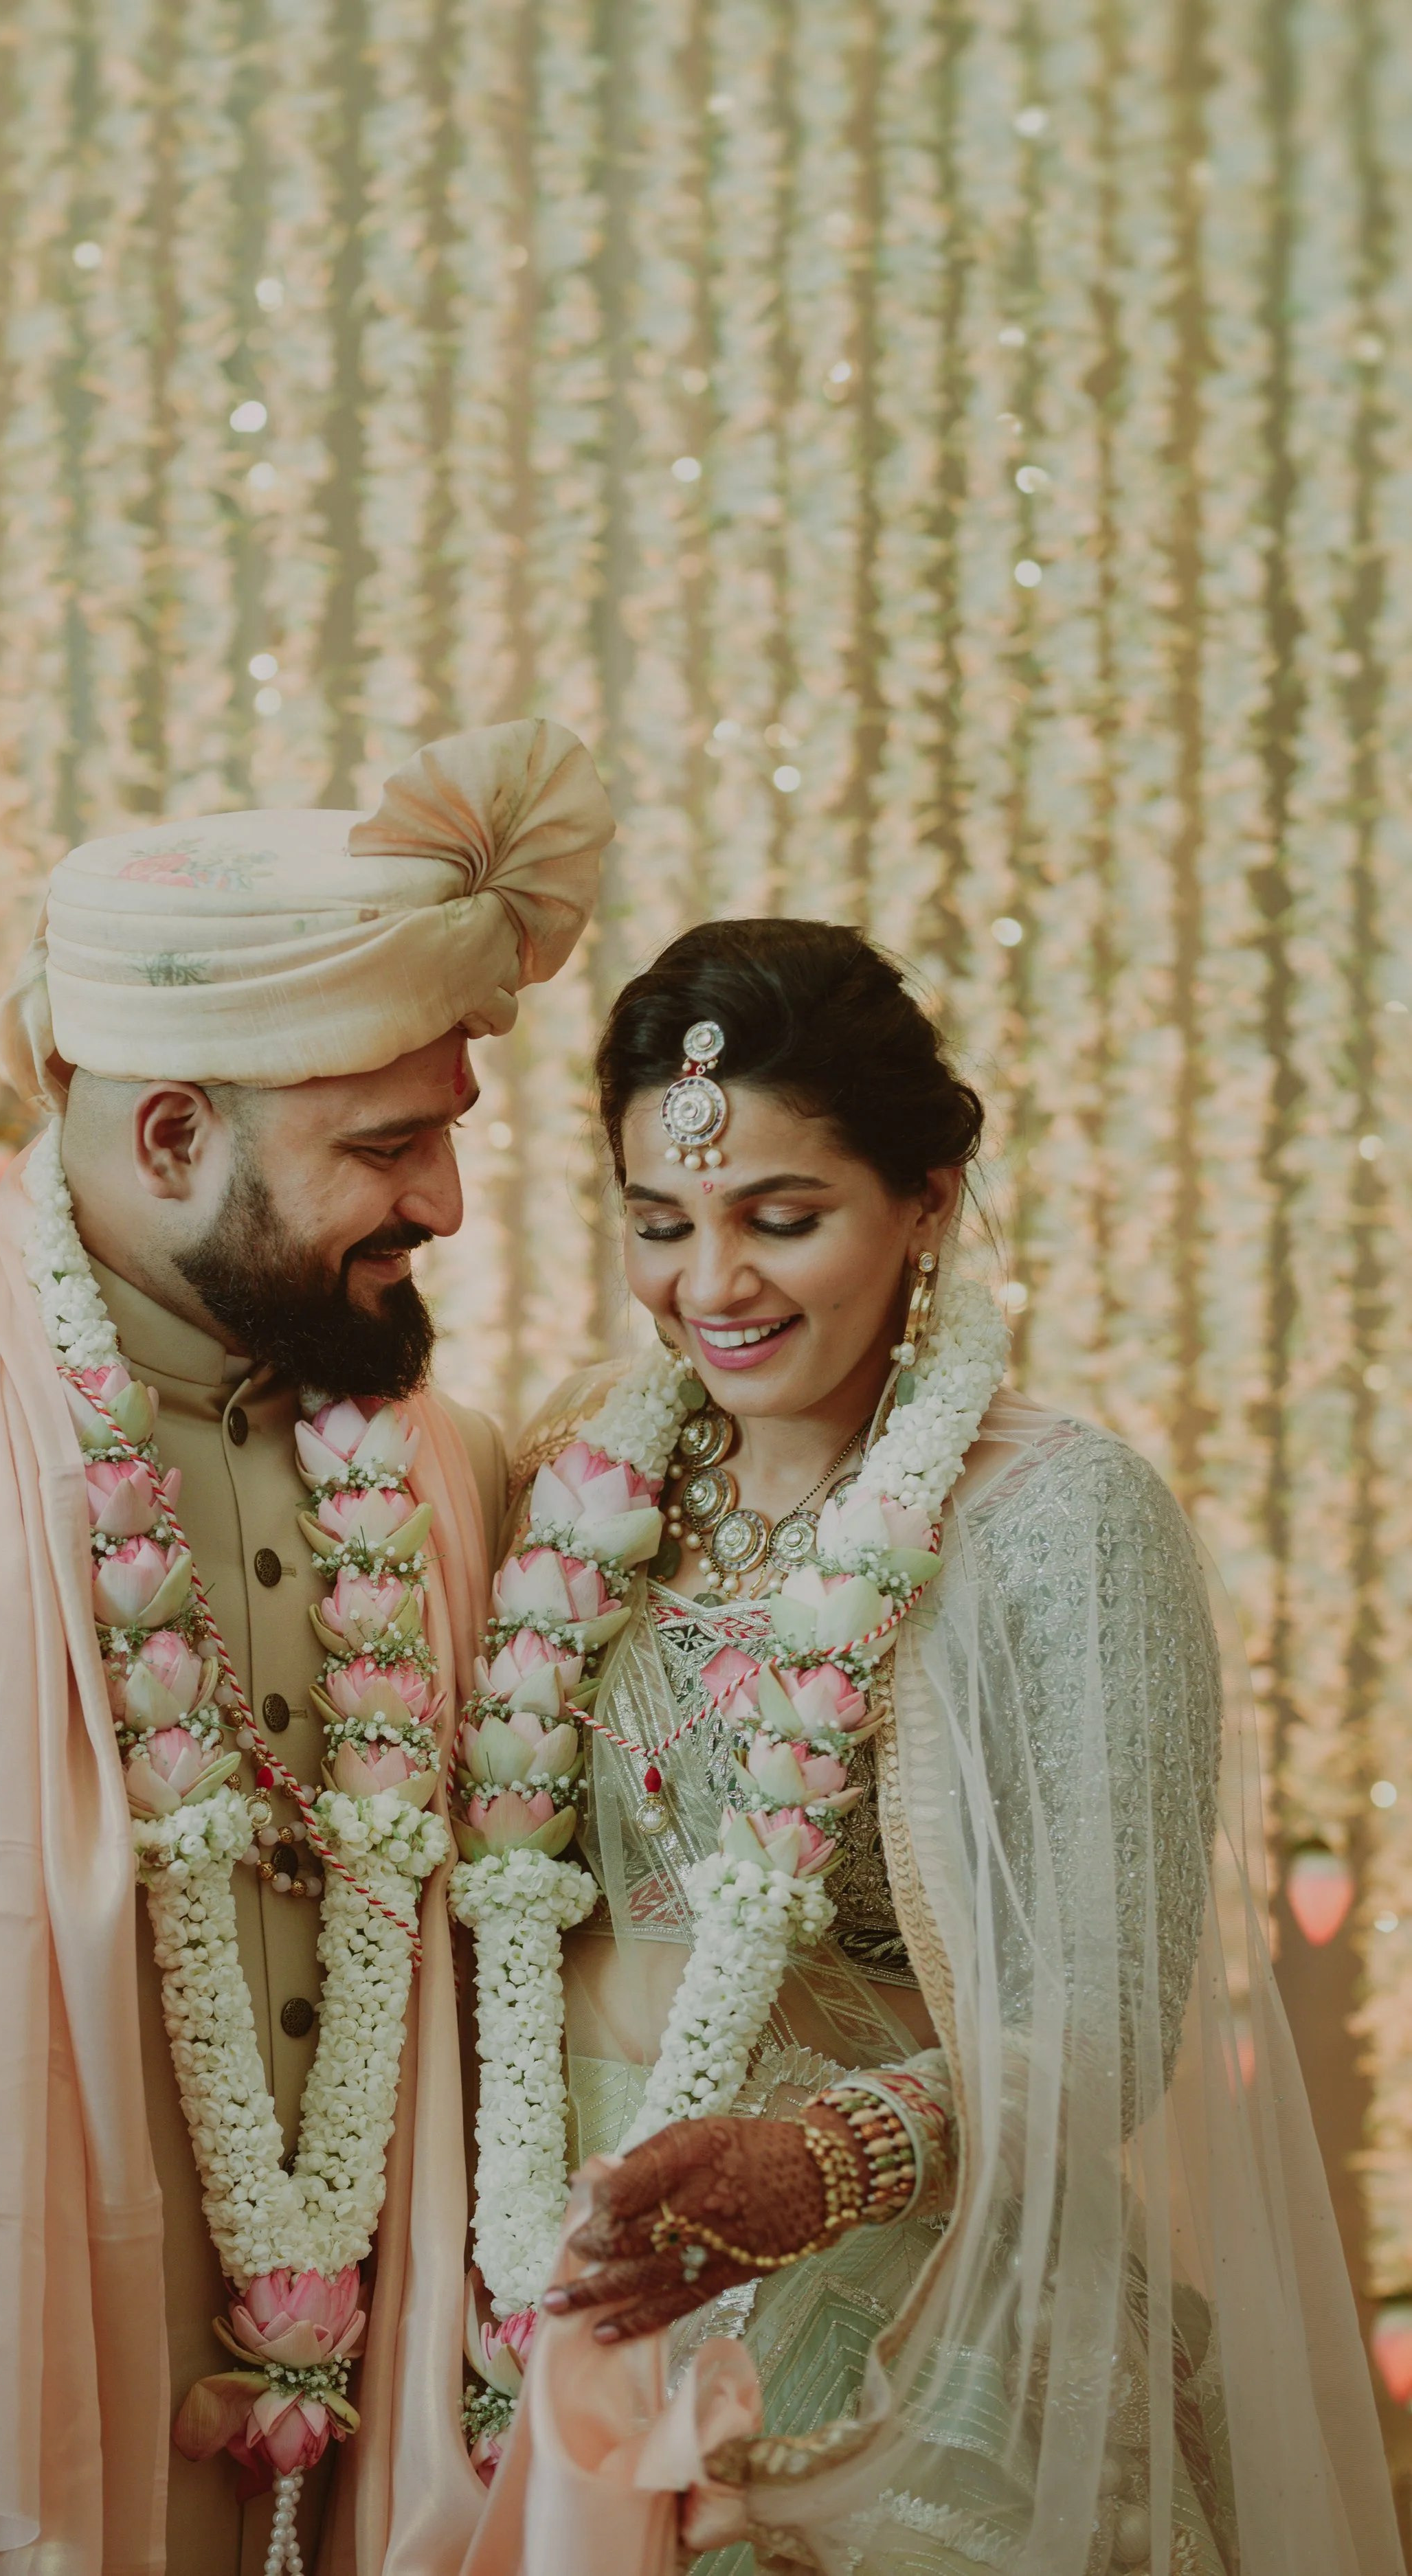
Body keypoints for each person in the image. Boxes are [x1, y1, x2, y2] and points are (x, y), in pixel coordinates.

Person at [0, 719, 612, 2576]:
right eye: (389, 1143)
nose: (442, 1204)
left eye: (446, 1136)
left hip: (369, 2445)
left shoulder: (440, 1454)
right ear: (172, 1127)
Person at [457, 920, 1399, 2575]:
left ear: (927, 1202)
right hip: (561, 2324)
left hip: (920, 2359)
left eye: (782, 1218)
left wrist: (818, 2164)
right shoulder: (568, 1491)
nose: (711, 1286)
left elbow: (1101, 2018)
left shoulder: (1057, 1522)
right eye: (659, 1223)